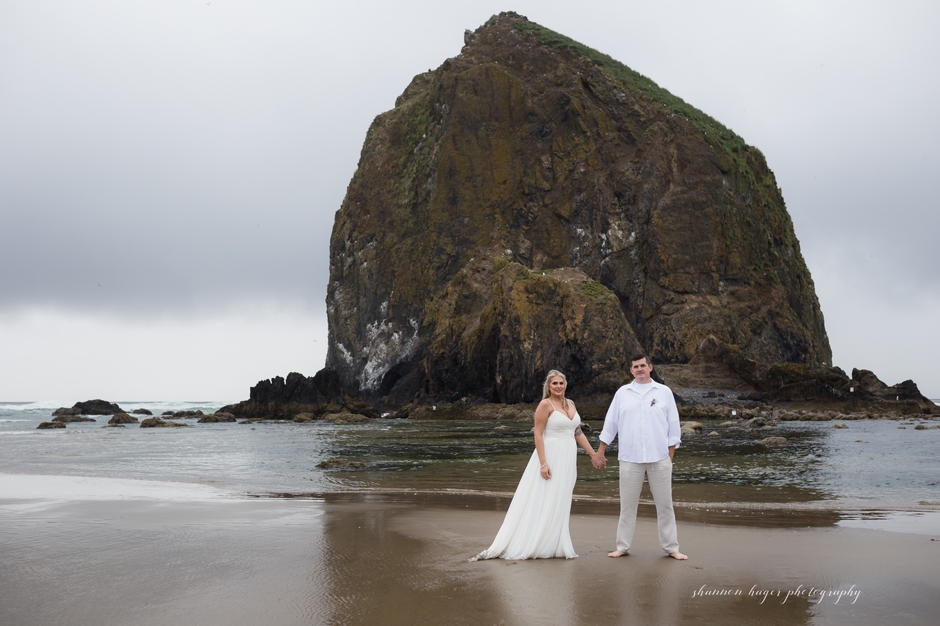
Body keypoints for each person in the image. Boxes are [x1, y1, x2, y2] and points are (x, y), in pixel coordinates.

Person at [471, 370, 601, 560]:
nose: (558, 387)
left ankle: (555, 543)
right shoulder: (544, 405)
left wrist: (593, 454)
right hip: (551, 455)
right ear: (548, 386)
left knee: (561, 499)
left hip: (568, 457)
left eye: (561, 383)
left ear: (565, 385)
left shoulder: (571, 404)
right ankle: (536, 542)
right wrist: (543, 463)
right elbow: (538, 434)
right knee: (544, 497)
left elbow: (577, 432)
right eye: (554, 384)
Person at [593, 354, 688, 560]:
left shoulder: (663, 392)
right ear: (631, 370)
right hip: (629, 458)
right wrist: (601, 450)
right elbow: (611, 423)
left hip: (660, 458)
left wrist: (670, 454)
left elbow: (673, 424)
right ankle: (622, 546)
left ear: (650, 367)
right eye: (635, 366)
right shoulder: (622, 393)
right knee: (627, 506)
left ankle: (672, 548)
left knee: (665, 505)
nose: (639, 369)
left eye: (642, 366)